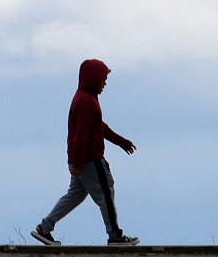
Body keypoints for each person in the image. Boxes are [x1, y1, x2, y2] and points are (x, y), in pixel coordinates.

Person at [31, 58, 139, 246]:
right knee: (106, 193)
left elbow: (98, 127)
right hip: (90, 159)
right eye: (103, 79)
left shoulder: (84, 98)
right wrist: (78, 163)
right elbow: (80, 135)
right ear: (93, 79)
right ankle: (115, 236)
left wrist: (120, 142)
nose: (104, 84)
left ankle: (45, 227)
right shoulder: (87, 102)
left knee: (75, 195)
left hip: (80, 159)